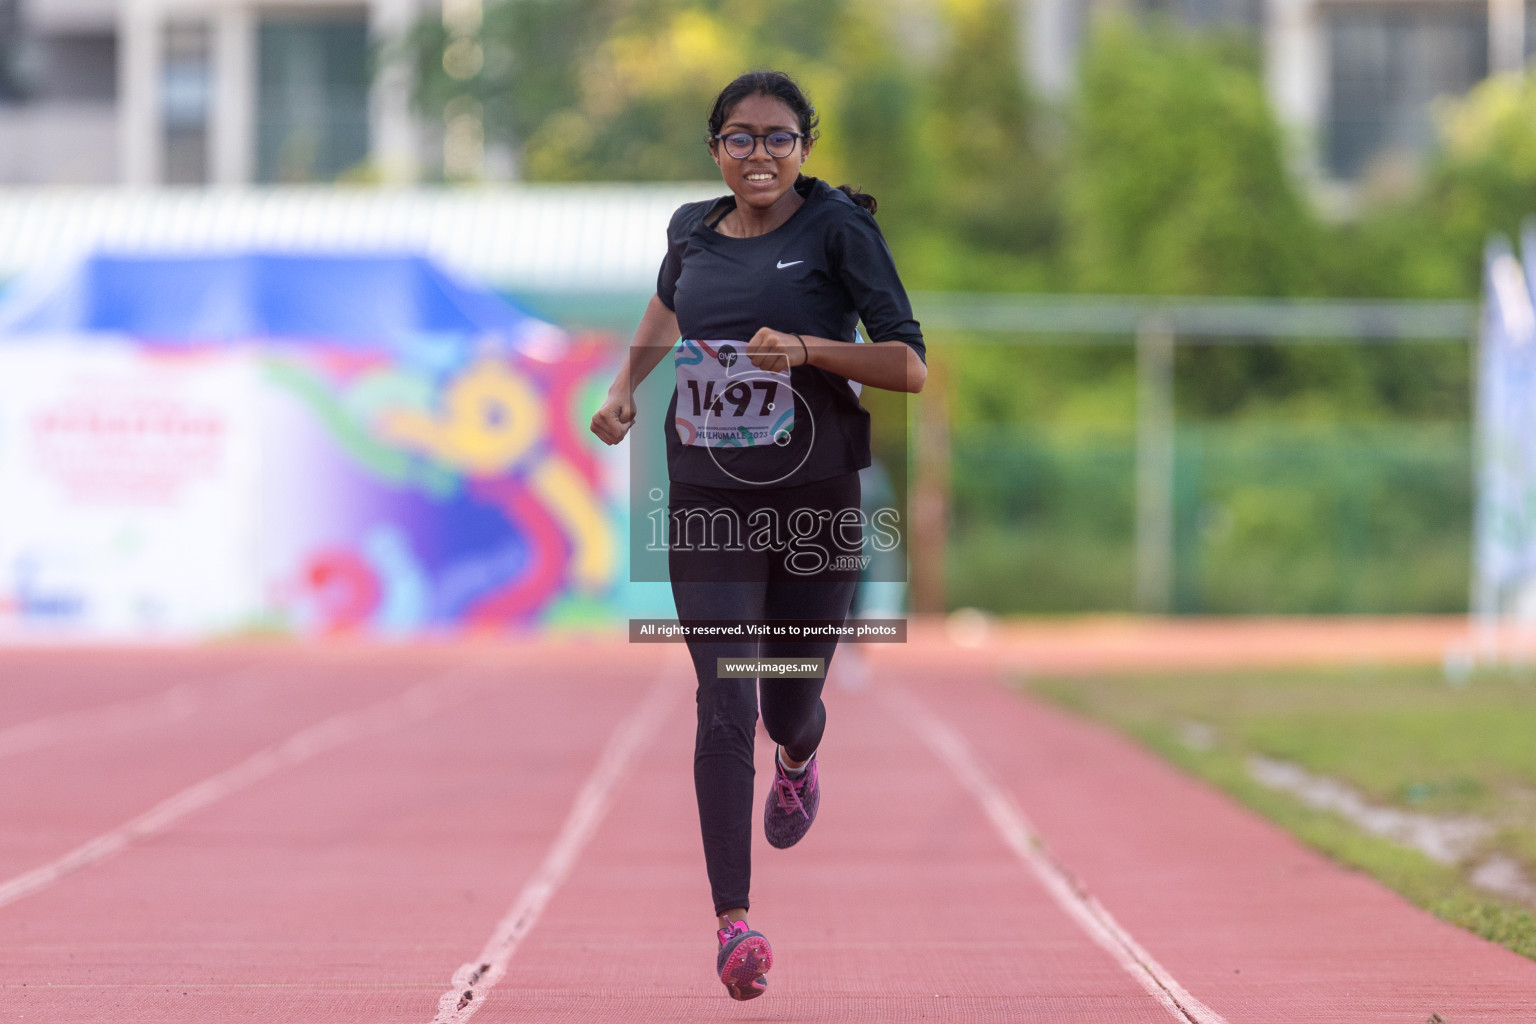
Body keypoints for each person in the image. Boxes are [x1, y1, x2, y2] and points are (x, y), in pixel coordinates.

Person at [590, 69, 926, 1001]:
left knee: (785, 703)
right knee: (723, 692)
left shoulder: (840, 231)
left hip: (816, 501)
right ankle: (733, 921)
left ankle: (800, 757)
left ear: (805, 147)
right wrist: (627, 388)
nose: (759, 155)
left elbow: (910, 364)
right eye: (740, 138)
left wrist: (811, 349)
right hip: (708, 497)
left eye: (778, 138)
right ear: (716, 149)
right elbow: (668, 303)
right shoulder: (690, 230)